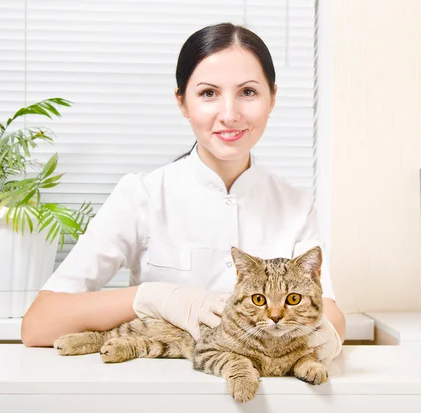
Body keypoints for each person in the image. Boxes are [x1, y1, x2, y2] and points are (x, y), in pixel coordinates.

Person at [21, 22, 345, 366]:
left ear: (272, 98)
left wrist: (321, 338)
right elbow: (39, 324)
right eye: (208, 94)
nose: (230, 114)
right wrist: (158, 297)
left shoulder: (294, 203)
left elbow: (333, 319)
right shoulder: (142, 194)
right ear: (182, 103)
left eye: (248, 92)